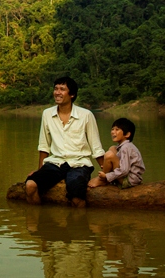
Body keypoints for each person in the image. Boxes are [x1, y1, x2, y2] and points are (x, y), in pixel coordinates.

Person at [25, 77, 106, 208]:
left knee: (76, 196)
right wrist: (40, 170)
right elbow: (44, 145)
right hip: (55, 163)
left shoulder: (86, 115)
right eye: (56, 89)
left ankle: (79, 226)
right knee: (30, 186)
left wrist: (106, 175)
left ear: (72, 94)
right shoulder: (47, 114)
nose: (57, 92)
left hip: (79, 163)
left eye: (62, 89)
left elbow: (96, 148)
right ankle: (40, 224)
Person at [88, 117, 144, 189]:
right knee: (112, 148)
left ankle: (102, 180)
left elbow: (124, 170)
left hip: (129, 180)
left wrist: (108, 176)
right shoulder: (124, 146)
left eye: (117, 130)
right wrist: (108, 166)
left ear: (127, 134)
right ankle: (106, 174)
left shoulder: (126, 147)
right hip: (126, 176)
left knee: (109, 155)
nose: (113, 132)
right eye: (112, 129)